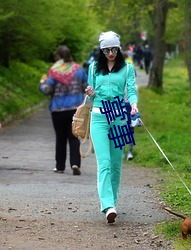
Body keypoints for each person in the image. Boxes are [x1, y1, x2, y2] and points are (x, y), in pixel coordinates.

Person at [85, 31, 138, 223]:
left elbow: (131, 90)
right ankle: (107, 205)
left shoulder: (127, 68)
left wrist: (133, 104)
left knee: (116, 164)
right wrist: (90, 92)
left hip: (119, 118)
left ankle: (112, 201)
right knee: (104, 163)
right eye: (106, 50)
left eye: (114, 49)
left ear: (119, 48)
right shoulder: (93, 68)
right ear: (101, 50)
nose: (110, 53)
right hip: (99, 117)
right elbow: (91, 97)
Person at [39, 45, 88, 175]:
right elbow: (86, 87)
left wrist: (42, 83)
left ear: (58, 57)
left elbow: (47, 90)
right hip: (75, 109)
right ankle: (75, 163)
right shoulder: (79, 70)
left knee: (60, 138)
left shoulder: (54, 71)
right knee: (74, 137)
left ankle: (60, 166)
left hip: (58, 109)